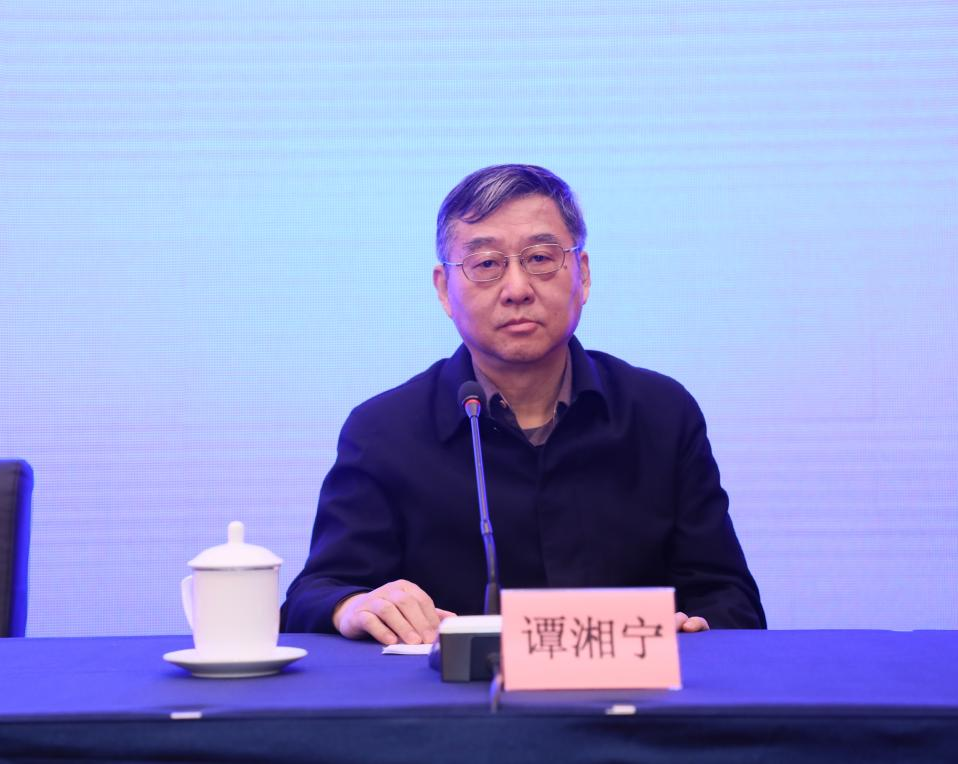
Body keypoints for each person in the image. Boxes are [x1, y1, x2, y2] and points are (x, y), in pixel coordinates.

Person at [281, 164, 765, 645]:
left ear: (583, 274)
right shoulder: (384, 431)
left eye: (539, 258)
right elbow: (316, 593)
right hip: (454, 694)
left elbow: (728, 597)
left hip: (631, 692)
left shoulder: (661, 414)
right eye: (486, 264)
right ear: (444, 290)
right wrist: (353, 605)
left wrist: (695, 629)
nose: (517, 289)